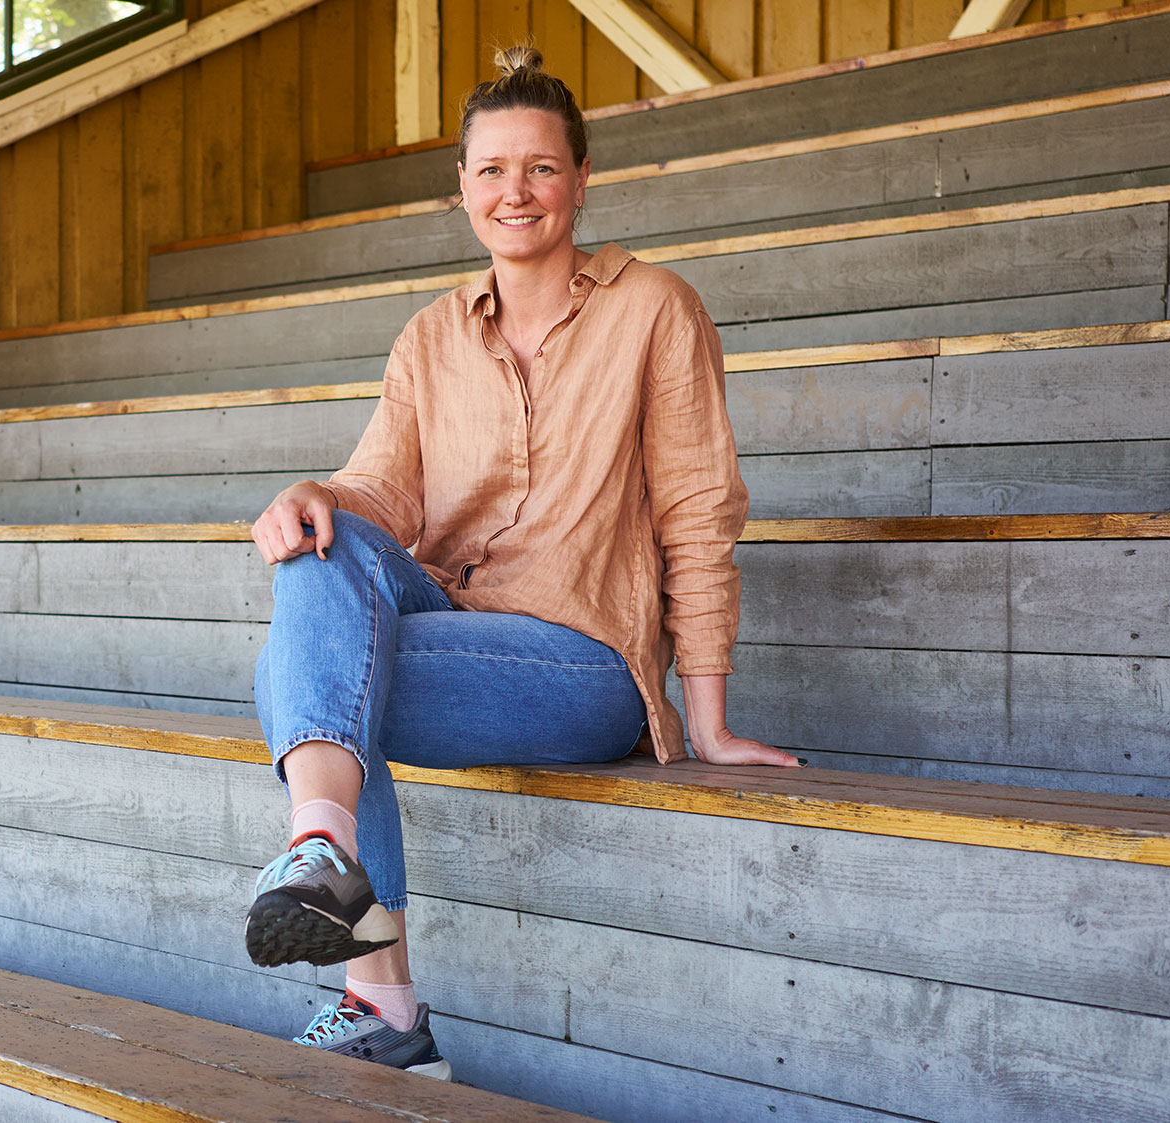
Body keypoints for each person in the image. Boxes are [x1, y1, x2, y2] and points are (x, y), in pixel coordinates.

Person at [245, 45, 800, 1080]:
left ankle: (378, 993)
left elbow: (695, 508)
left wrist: (707, 713)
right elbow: (379, 498)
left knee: (297, 675)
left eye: (540, 168)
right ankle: (322, 853)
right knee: (320, 545)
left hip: (578, 662)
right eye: (492, 170)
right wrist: (314, 494)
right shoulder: (428, 338)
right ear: (460, 189)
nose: (516, 192)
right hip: (457, 624)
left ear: (580, 180)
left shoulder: (653, 310)